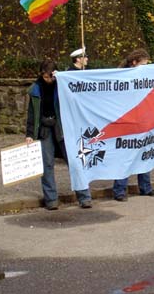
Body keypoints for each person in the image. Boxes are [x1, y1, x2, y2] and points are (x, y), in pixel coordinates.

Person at [26, 60, 92, 210]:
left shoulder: (62, 85)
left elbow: (77, 90)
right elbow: (32, 114)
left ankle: (84, 197)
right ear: (41, 75)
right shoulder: (35, 90)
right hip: (44, 129)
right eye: (46, 77)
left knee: (74, 161)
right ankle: (51, 200)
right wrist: (30, 134)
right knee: (47, 164)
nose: (49, 80)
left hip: (63, 128)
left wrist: (61, 78)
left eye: (52, 77)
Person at [113, 49, 154, 201]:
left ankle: (145, 187)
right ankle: (119, 190)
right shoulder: (120, 77)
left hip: (143, 120)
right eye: (143, 64)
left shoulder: (146, 77)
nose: (146, 67)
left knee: (145, 154)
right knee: (125, 156)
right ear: (134, 62)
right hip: (126, 122)